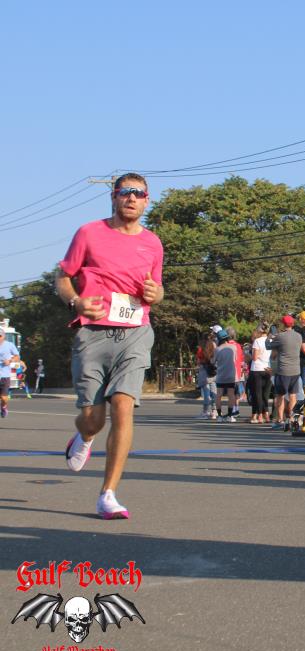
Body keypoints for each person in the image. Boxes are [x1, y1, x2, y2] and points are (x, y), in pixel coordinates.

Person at [56, 172, 164, 520]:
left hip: (135, 331)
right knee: (93, 419)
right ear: (114, 197)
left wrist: (155, 293)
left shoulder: (153, 243)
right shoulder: (89, 233)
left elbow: (158, 289)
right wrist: (76, 301)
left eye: (139, 194)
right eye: (125, 192)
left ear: (146, 201)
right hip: (93, 333)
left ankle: (108, 494)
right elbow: (63, 277)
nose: (131, 198)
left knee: (123, 405)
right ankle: (84, 437)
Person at [266, 315, 303, 430]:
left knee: (280, 396)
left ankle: (280, 420)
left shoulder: (280, 336)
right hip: (295, 369)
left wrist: (269, 337)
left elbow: (268, 346)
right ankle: (291, 419)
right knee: (293, 395)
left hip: (283, 370)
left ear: (283, 324)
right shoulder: (298, 336)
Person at [212, 327, 242, 422]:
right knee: (231, 395)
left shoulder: (217, 349)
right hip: (231, 374)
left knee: (219, 395)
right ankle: (230, 416)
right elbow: (235, 359)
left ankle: (219, 416)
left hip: (221, 374)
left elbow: (213, 361)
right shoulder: (233, 347)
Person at [249, 324, 272, 424]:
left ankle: (259, 415)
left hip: (257, 369)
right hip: (268, 368)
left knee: (257, 393)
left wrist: (251, 355)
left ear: (259, 331)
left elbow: (254, 357)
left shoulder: (257, 341)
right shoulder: (271, 341)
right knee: (265, 394)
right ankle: (266, 414)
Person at [195, 333, 218, 420]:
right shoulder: (214, 346)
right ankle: (214, 411)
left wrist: (201, 363)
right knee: (214, 392)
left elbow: (198, 361)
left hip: (204, 371)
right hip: (213, 371)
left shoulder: (201, 348)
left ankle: (205, 412)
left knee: (206, 393)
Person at [0, 329, 21, 418]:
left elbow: (17, 357)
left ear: (4, 336)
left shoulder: (9, 345)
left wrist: (10, 360)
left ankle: (3, 407)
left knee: (4, 398)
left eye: (0, 336)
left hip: (5, 376)